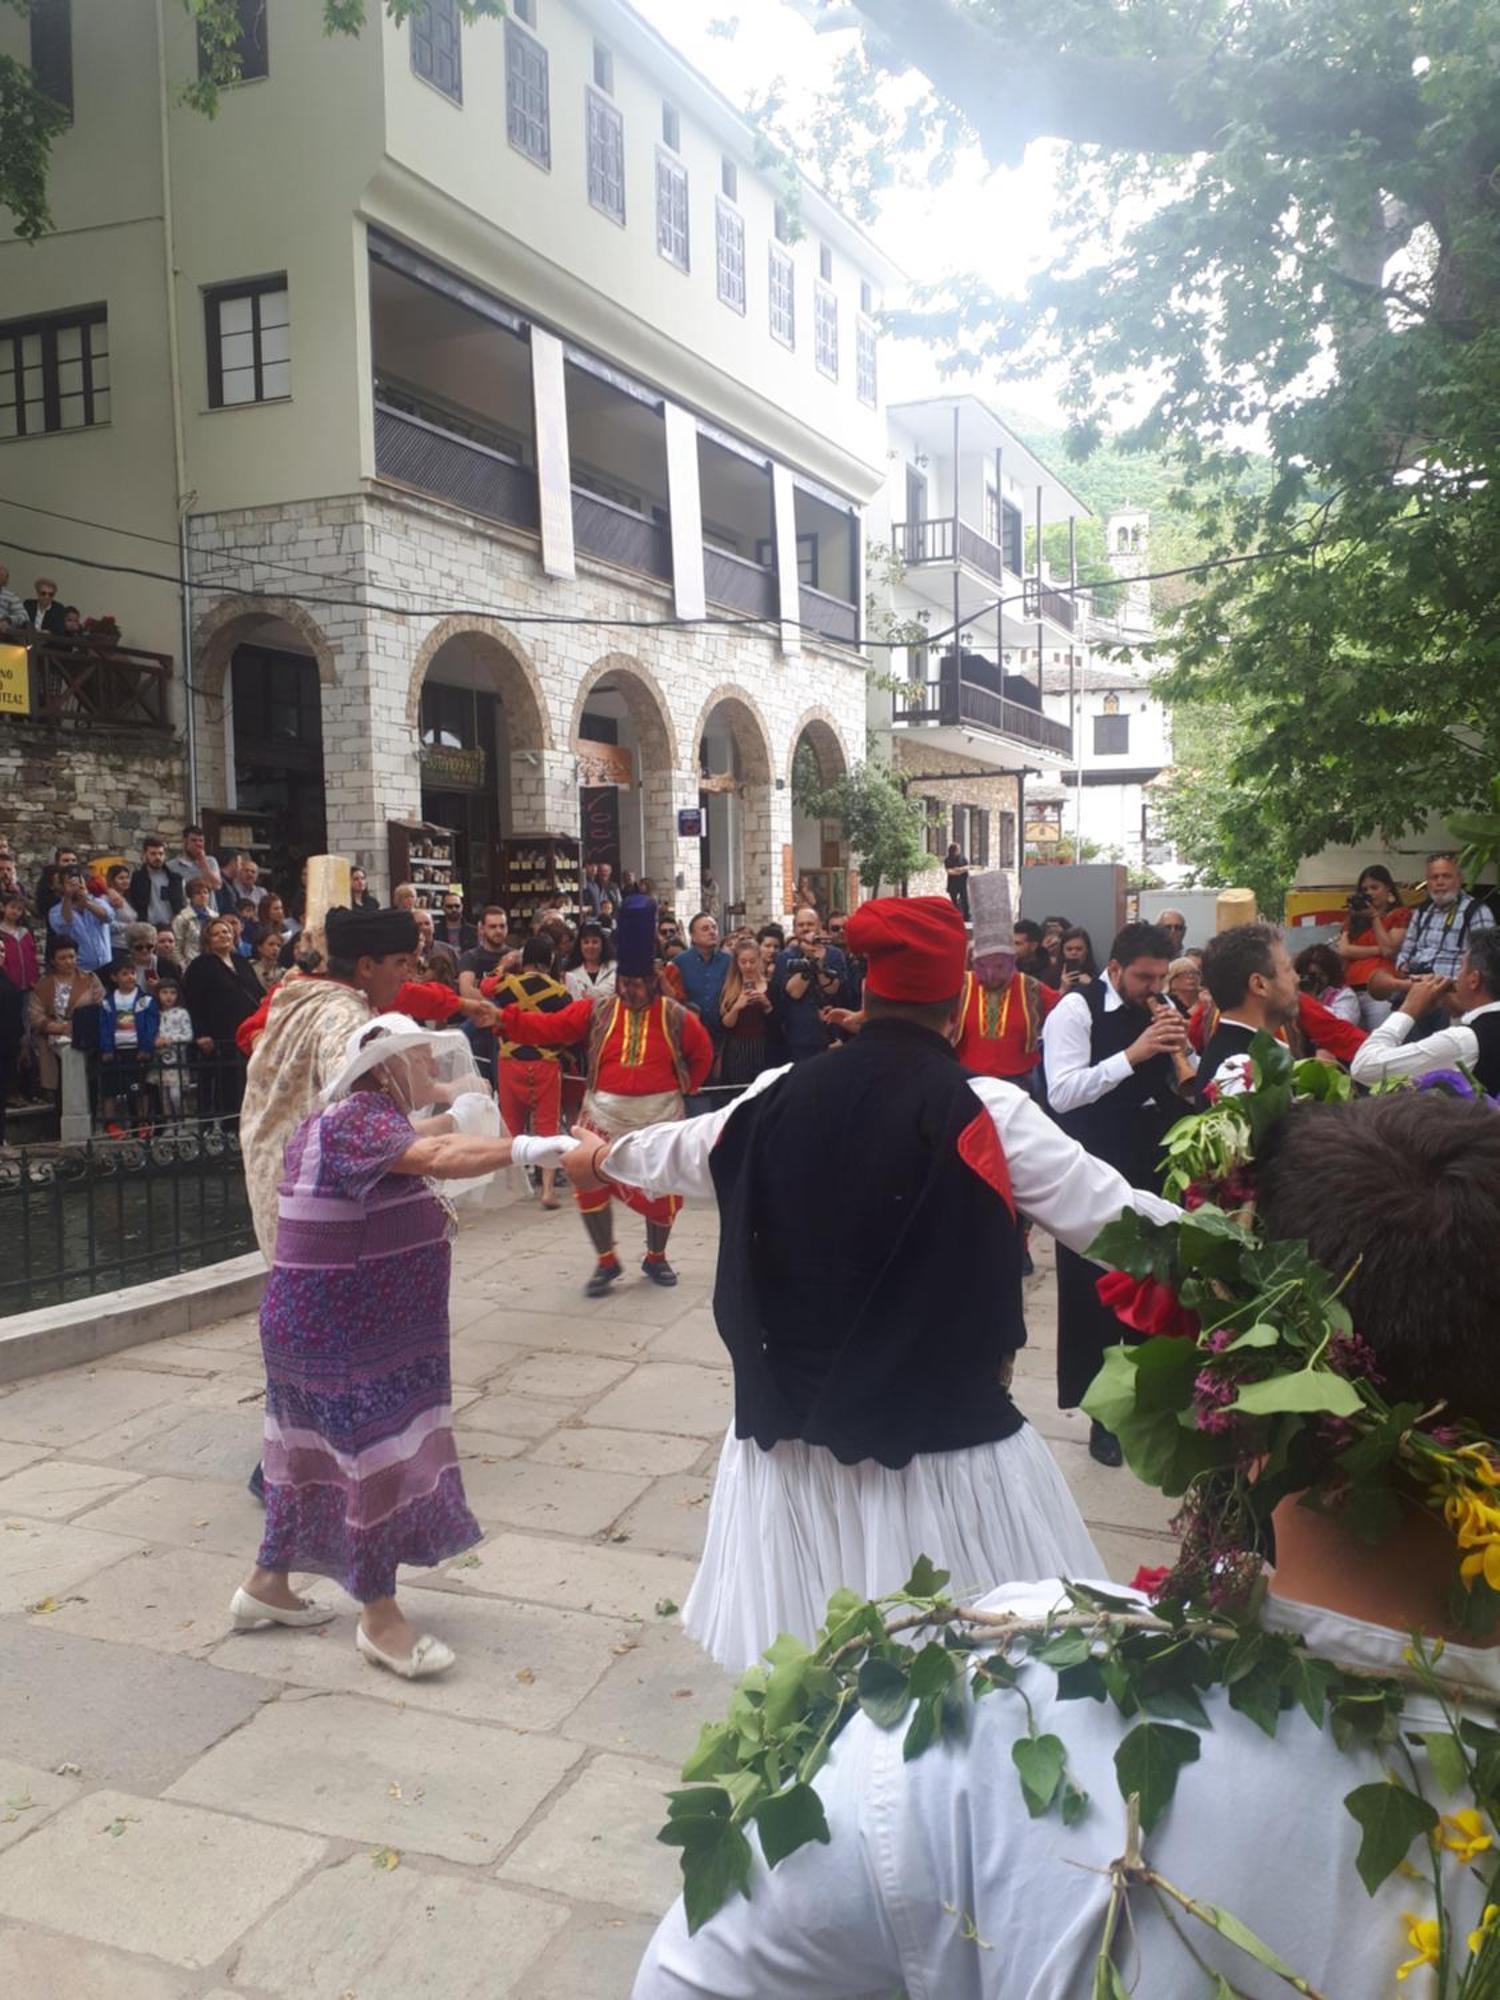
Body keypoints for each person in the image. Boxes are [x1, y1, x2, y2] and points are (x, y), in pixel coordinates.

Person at [633, 1088, 1500, 2000]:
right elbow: (1109, 1214)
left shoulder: (992, 1695)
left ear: (1240, 1374)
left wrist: (574, 1152)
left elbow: (698, 1980)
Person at [568, 895, 1176, 1673]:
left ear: (866, 997)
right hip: (934, 1447)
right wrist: (1238, 1250)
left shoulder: (774, 1095)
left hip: (787, 1443)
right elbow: (1119, 1223)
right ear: (956, 1006)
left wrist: (596, 1158)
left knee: (813, 1669)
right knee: (963, 1676)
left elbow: (677, 1151)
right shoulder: (985, 1110)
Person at [233, 1014, 575, 1677]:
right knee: (375, 1460)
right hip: (347, 1331)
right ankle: (379, 1618)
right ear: (382, 1068)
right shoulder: (359, 1117)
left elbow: (422, 1137)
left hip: (319, 1323)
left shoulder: (341, 1120)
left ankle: (265, 1587)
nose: (430, 1070)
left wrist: (457, 1118)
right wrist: (527, 1148)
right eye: (418, 1059)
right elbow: (434, 1157)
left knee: (307, 1459)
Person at [496, 896, 714, 1297]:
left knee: (661, 1190)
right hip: (601, 1115)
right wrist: (502, 1019)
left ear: (652, 981)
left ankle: (656, 1256)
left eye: (637, 984)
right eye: (624, 984)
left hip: (659, 1116)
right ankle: (606, 1261)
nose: (629, 991)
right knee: (588, 1180)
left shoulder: (675, 1016)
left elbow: (702, 1055)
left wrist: (688, 1087)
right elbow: (550, 1028)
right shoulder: (597, 1011)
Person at [1043, 920, 1190, 1464]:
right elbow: (1062, 1093)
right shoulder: (1075, 1010)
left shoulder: (1162, 1000)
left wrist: (1180, 1051)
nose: (1154, 988)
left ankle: (1148, 1407)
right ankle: (1102, 1419)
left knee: (1154, 1285)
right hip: (1092, 1162)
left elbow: (1181, 1074)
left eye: (1160, 976)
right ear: (1114, 970)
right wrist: (1132, 1055)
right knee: (1094, 1292)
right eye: (1144, 978)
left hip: (1149, 1156)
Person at [1350, 927, 1500, 1091]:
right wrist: (1454, 1010)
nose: (1457, 976)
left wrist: (1408, 1009)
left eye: (1461, 968)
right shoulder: (1471, 1035)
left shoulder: (1463, 1040)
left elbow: (1364, 1067)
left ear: (1474, 980)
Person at [485, 933, 572, 1211]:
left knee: (512, 1124)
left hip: (510, 1061)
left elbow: (485, 987)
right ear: (550, 960)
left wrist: (503, 967)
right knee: (547, 1127)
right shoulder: (559, 992)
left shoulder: (507, 985)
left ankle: (513, 1185)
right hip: (545, 1062)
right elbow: (569, 1028)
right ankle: (547, 1190)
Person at [1195, 922, 1300, 1106]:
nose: (1297, 978)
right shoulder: (1240, 1069)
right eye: (1288, 968)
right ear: (1259, 985)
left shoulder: (1251, 1052)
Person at [1376, 851, 1495, 1012]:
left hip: (1453, 997)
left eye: (1446, 876)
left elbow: (1486, 961)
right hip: (1416, 991)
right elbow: (1405, 951)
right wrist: (1404, 966)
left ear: (1460, 880)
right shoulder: (1421, 912)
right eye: (1434, 877)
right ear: (1428, 882)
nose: (1440, 882)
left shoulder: (1476, 911)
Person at [183, 915, 259, 1124]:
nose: (222, 936)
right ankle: (219, 1129)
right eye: (216, 934)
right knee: (221, 1082)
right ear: (208, 941)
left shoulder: (241, 962)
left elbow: (256, 992)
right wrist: (201, 1033)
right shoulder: (201, 965)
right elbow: (194, 1002)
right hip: (218, 1033)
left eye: (225, 931)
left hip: (245, 1031)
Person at [1331, 863, 1409, 1027]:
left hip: (1381, 992)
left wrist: (1374, 918)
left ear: (1388, 889)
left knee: (1379, 1042)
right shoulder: (1354, 919)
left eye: (1375, 887)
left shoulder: (1399, 914)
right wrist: (1378, 950)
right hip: (1351, 991)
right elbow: (1344, 950)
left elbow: (1389, 950)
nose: (1370, 893)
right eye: (1365, 889)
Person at [770, 907, 849, 1062]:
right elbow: (794, 992)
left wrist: (819, 963)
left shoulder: (834, 954)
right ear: (794, 928)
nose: (805, 928)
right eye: (801, 925)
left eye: (810, 924)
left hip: (829, 1036)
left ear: (819, 926)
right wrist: (810, 959)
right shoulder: (785, 957)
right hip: (797, 1038)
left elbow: (832, 988)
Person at [27, 940, 103, 1095]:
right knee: (63, 1088)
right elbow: (35, 1015)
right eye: (62, 958)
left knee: (89, 1086)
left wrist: (81, 1025)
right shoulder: (43, 985)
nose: (69, 961)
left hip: (86, 1038)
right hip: (54, 1040)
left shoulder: (90, 979)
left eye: (72, 956)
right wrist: (60, 1028)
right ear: (53, 961)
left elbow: (100, 1004)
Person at [97, 956, 159, 1136]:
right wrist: (107, 1048)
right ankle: (111, 1124)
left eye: (132, 973)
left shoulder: (145, 1000)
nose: (130, 977)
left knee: (139, 1088)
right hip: (115, 1049)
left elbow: (151, 1025)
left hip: (136, 1048)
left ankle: (143, 1122)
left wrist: (145, 1048)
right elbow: (104, 1027)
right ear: (114, 978)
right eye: (125, 974)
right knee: (111, 1089)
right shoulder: (107, 1002)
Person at [717, 936, 777, 1087]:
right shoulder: (730, 988)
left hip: (764, 1047)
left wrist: (767, 1004)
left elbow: (778, 1023)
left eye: (752, 961)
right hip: (737, 1049)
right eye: (743, 962)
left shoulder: (771, 986)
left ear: (759, 960)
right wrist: (737, 1006)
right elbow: (726, 1025)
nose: (748, 966)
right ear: (737, 963)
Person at [672, 912, 732, 1053]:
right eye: (705, 929)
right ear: (693, 936)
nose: (712, 932)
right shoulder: (680, 962)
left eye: (714, 928)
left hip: (722, 1035)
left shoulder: (728, 961)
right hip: (690, 1034)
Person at [47, 869, 114, 973]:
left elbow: (108, 917)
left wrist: (87, 903)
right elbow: (64, 924)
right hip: (80, 969)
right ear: (62, 886)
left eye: (78, 882)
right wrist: (68, 896)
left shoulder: (98, 902)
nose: (76, 886)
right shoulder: (55, 911)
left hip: (107, 965)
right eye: (70, 883)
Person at [153, 977, 194, 1124]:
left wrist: (170, 1039)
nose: (168, 996)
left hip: (176, 1058)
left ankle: (182, 1117)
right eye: (164, 992)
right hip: (159, 1059)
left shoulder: (182, 1013)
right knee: (163, 1095)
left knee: (175, 1094)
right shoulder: (155, 1013)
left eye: (172, 993)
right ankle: (170, 1124)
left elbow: (188, 1035)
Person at [1293, 940, 1360, 1025]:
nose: (1315, 980)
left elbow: (1343, 1023)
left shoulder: (1345, 995)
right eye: (1310, 975)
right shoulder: (1297, 994)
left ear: (1330, 973)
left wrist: (1313, 1004)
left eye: (1320, 975)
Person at [128, 837, 183, 928]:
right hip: (146, 928)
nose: (157, 857)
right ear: (145, 854)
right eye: (153, 854)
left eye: (160, 854)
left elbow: (182, 904)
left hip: (170, 927)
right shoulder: (137, 878)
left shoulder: (174, 879)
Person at [563, 921, 616, 1002]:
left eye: (595, 942)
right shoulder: (571, 973)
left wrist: (586, 991)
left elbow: (613, 991)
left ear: (602, 944)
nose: (590, 946)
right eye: (586, 942)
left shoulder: (614, 968)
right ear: (580, 946)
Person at [168, 825, 224, 898]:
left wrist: (203, 861)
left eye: (201, 841)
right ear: (185, 842)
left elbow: (217, 885)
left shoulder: (210, 861)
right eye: (194, 840)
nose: (198, 844)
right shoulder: (172, 866)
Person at [172, 874, 215, 967]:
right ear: (191, 897)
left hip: (213, 963)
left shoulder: (214, 917)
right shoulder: (182, 918)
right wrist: (184, 966)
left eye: (205, 892)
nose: (202, 896)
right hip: (191, 963)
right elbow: (176, 947)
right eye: (198, 893)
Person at [1011, 918, 1053, 982]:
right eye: (1011, 943)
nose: (1012, 947)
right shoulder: (1009, 968)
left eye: (1018, 944)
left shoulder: (1050, 971)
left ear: (1033, 946)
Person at [249, 926, 288, 996]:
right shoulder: (250, 968)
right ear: (259, 947)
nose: (276, 948)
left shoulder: (283, 973)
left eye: (279, 946)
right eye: (271, 944)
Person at [1057, 924, 1097, 990]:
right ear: (1062, 951)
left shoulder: (1097, 976)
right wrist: (1063, 989)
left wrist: (1092, 986)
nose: (1074, 953)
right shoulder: (1050, 976)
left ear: (1087, 951)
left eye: (1079, 949)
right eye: (1069, 949)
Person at [943, 841, 970, 919]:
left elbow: (967, 867)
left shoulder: (962, 858)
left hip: (962, 883)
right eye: (958, 849)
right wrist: (960, 871)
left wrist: (959, 869)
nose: (959, 850)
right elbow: (950, 872)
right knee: (954, 901)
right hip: (953, 883)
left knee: (965, 899)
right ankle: (956, 916)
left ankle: (966, 916)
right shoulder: (948, 860)